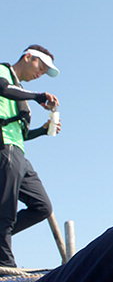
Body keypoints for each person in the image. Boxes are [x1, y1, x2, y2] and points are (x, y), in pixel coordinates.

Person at [0, 46, 60, 269]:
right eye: (40, 67)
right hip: (4, 147)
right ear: (27, 57)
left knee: (42, 206)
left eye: (44, 72)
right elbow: (2, 88)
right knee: (6, 210)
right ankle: (5, 265)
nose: (40, 73)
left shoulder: (21, 92)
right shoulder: (3, 72)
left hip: (18, 152)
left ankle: (1, 237)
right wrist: (37, 96)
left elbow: (22, 133)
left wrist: (43, 131)